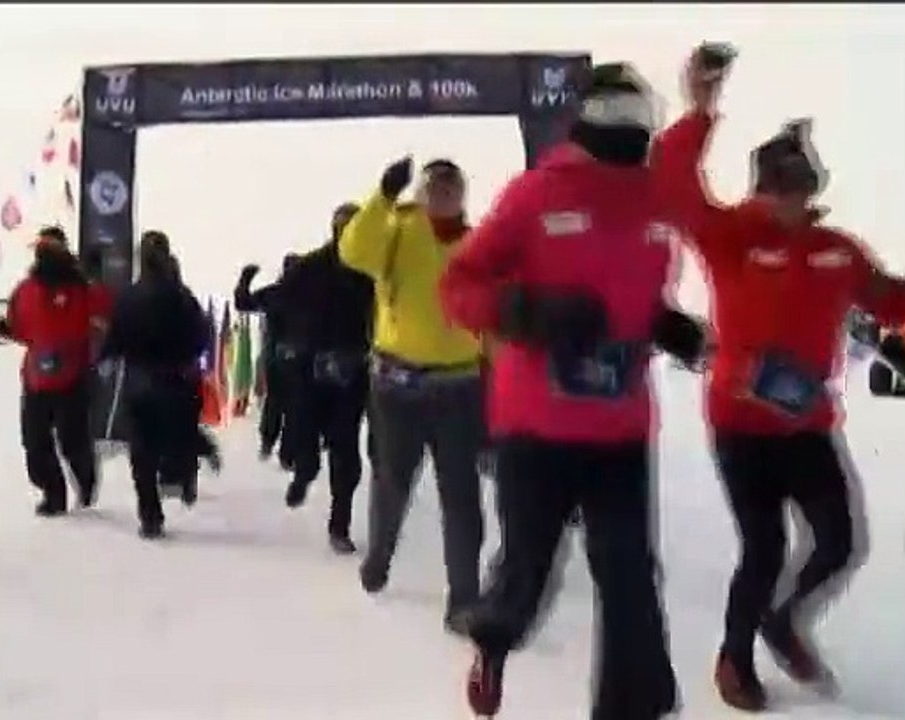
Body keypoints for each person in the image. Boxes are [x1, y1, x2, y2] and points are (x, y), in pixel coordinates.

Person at [652, 47, 905, 712]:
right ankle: (734, 657)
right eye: (778, 189)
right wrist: (700, 109)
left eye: (800, 190)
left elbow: (891, 298)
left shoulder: (837, 251)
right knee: (765, 546)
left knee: (838, 542)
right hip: (741, 423)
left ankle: (782, 619)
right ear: (760, 187)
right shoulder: (730, 237)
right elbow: (674, 187)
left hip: (807, 427)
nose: (789, 202)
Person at [440, 63, 687, 719]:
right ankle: (492, 640)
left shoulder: (657, 203)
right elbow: (460, 286)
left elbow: (639, 303)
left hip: (619, 428)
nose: (634, 139)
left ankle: (632, 708)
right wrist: (530, 313)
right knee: (527, 570)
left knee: (630, 573)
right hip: (535, 426)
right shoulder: (534, 195)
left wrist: (673, 327)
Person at [339, 158, 488, 631]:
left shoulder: (479, 243)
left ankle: (463, 599)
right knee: (393, 483)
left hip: (460, 386)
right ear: (421, 193)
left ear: (462, 196)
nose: (442, 197)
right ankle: (379, 555)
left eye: (451, 189)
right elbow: (353, 251)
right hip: (398, 386)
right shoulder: (398, 229)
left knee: (461, 497)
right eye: (434, 188)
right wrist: (382, 195)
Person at [266, 203, 374, 554]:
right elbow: (276, 299)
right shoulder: (310, 267)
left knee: (345, 449)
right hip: (310, 369)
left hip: (350, 370)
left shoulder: (370, 272)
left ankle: (339, 524)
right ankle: (304, 473)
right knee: (304, 439)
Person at [0, 226, 111, 516]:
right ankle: (53, 494)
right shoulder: (25, 290)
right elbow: (20, 328)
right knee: (35, 443)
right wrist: (2, 329)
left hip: (73, 377)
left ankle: (85, 480)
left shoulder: (83, 290)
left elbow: (103, 320)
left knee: (72, 440)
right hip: (37, 379)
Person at [98, 232, 210, 539]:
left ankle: (150, 515)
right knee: (180, 434)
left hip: (139, 382)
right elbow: (201, 336)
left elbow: (114, 337)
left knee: (142, 451)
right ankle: (183, 477)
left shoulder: (129, 297)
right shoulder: (182, 296)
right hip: (177, 380)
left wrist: (106, 358)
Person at [234, 252, 301, 469]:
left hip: (275, 357)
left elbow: (243, 303)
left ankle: (268, 442)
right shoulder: (311, 296)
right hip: (299, 359)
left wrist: (245, 279)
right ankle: (287, 454)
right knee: (295, 407)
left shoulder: (274, 293)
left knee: (275, 402)